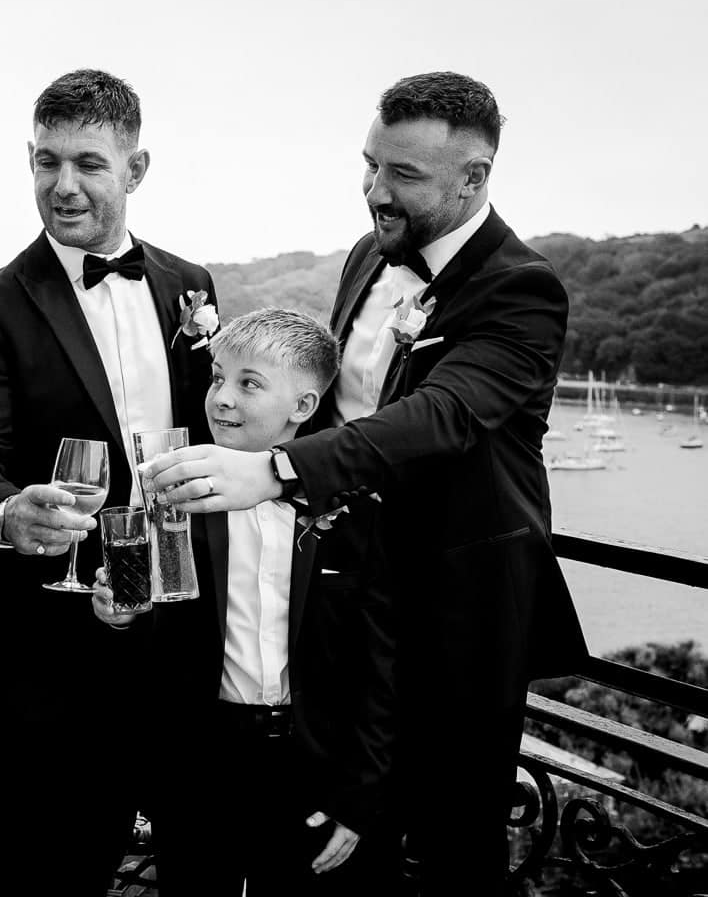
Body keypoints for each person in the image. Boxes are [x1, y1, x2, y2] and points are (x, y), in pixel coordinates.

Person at [142, 71, 589, 896]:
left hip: (459, 610)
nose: (376, 191)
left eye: (404, 176)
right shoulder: (366, 256)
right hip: (347, 601)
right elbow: (334, 409)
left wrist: (274, 472)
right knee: (343, 839)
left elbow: (440, 417)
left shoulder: (524, 289)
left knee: (455, 845)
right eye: (370, 164)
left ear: (474, 178)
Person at [0, 69, 216, 894]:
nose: (63, 186)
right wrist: (7, 512)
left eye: (89, 164)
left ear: (135, 171)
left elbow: (218, 432)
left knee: (198, 859)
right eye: (46, 161)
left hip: (178, 635)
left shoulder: (189, 286)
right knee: (36, 870)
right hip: (46, 645)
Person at [95, 308, 396, 895]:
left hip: (313, 764)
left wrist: (362, 792)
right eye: (216, 377)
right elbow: (156, 632)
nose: (222, 398)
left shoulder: (358, 509)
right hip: (200, 762)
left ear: (304, 407)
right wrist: (122, 616)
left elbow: (382, 665)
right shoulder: (174, 492)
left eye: (248, 383)